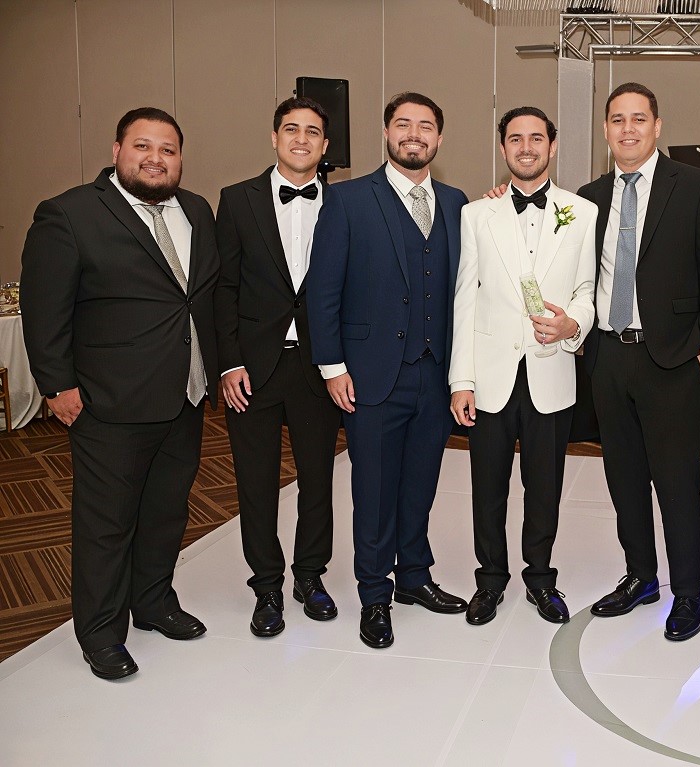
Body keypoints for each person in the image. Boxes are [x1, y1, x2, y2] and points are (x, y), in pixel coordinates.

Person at [21, 107, 219, 679]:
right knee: (106, 524)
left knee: (165, 513)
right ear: (116, 151)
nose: (156, 159)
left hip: (184, 397)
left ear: (180, 158)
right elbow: (44, 308)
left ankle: (153, 602)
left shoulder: (197, 211)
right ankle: (101, 633)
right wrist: (56, 386)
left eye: (168, 150)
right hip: (109, 403)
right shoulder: (69, 214)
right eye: (143, 146)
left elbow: (197, 299)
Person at [307, 92, 468, 649]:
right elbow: (322, 290)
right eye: (403, 124)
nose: (413, 134)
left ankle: (415, 578)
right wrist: (332, 366)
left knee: (421, 484)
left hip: (435, 374)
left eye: (425, 125)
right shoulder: (347, 199)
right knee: (374, 491)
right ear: (386, 132)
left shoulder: (457, 203)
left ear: (439, 138)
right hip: (370, 374)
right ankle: (374, 594)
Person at [578, 82, 700, 642]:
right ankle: (641, 576)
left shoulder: (693, 184)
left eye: (638, 118)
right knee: (624, 480)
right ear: (606, 129)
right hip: (608, 357)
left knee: (678, 484)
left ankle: (686, 592)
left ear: (657, 126)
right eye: (617, 119)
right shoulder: (588, 197)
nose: (628, 129)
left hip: (673, 359)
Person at [448, 106, 597, 626]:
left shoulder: (582, 212)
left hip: (550, 370)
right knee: (487, 487)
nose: (526, 147)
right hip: (490, 374)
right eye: (515, 139)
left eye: (536, 138)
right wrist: (461, 380)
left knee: (545, 486)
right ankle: (489, 580)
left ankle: (540, 577)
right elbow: (465, 299)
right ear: (503, 147)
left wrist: (573, 324)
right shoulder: (476, 214)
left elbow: (587, 290)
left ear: (552, 146)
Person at [214, 96, 342, 638]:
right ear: (274, 137)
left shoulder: (345, 203)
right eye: (292, 129)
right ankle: (266, 584)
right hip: (253, 368)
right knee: (256, 483)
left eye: (312, 132)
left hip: (319, 366)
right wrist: (228, 363)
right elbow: (223, 288)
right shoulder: (236, 200)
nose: (301, 139)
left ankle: (309, 576)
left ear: (325, 145)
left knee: (318, 481)